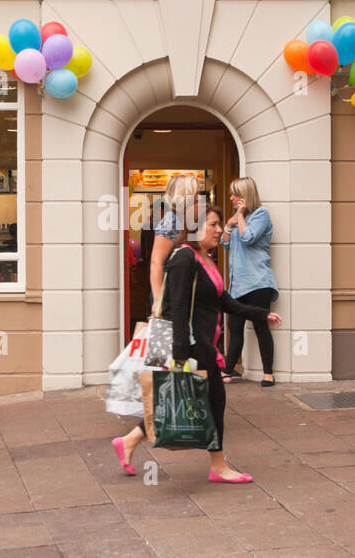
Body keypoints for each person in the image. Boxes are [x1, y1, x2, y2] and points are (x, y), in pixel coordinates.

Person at [113, 204, 281, 484]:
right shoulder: (183, 258)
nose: (219, 230)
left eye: (218, 225)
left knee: (182, 398)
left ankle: (129, 440)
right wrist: (179, 356)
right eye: (213, 224)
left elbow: (223, 301)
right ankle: (218, 466)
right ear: (194, 228)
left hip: (202, 343)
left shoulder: (205, 259)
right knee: (213, 400)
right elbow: (177, 308)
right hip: (191, 345)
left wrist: (262, 314)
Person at [220, 177, 278, 387]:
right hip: (238, 284)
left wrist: (240, 217)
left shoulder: (261, 215)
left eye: (235, 194)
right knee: (234, 326)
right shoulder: (236, 218)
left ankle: (268, 373)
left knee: (260, 326)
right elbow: (224, 244)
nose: (231, 198)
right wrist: (228, 224)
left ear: (245, 196)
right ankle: (227, 370)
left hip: (258, 282)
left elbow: (248, 238)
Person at [148, 173, 201, 303]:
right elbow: (156, 263)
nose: (199, 198)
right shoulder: (170, 221)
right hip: (170, 296)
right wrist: (157, 299)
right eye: (196, 195)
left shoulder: (187, 220)